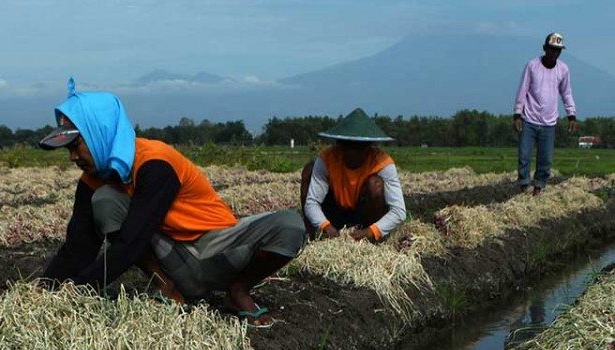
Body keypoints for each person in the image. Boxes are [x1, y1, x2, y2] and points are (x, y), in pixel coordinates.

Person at [38, 79, 306, 328]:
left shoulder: (154, 163)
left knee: (289, 225)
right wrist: (46, 291)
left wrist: (82, 287)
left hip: (218, 249)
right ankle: (167, 288)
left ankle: (238, 290)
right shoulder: (92, 181)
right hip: (175, 260)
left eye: (77, 145)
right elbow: (77, 247)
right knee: (106, 199)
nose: (73, 157)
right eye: (68, 150)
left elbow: (130, 244)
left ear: (101, 132)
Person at [300, 108, 406, 242]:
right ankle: (313, 239)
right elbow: (312, 203)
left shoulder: (382, 162)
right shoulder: (327, 159)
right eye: (349, 148)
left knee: (376, 185)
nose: (354, 154)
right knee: (309, 171)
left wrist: (370, 231)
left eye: (360, 149)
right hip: (333, 211)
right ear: (341, 147)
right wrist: (325, 225)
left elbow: (398, 211)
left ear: (368, 148)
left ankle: (372, 242)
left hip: (364, 215)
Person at [513, 32, 577, 196]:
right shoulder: (532, 66)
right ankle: (523, 187)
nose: (555, 53)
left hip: (549, 122)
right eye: (552, 49)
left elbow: (566, 93)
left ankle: (538, 189)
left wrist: (571, 115)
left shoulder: (563, 69)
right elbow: (523, 89)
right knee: (524, 156)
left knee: (545, 159)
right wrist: (517, 114)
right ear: (545, 49)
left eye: (558, 50)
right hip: (529, 119)